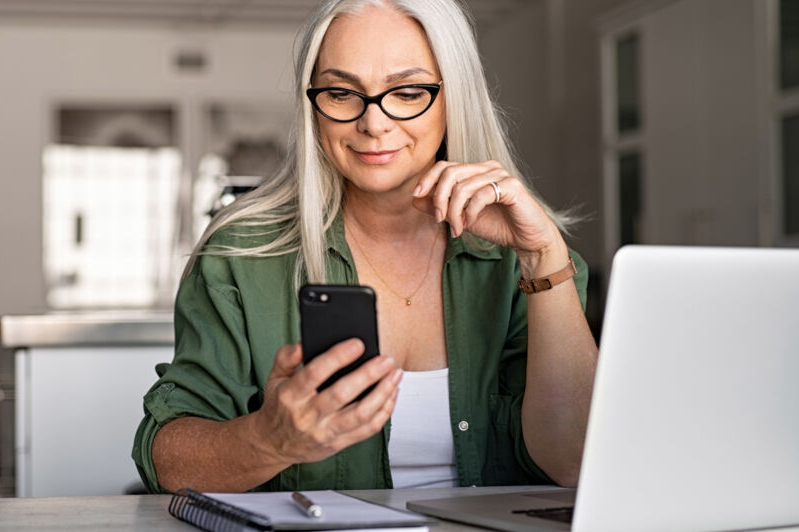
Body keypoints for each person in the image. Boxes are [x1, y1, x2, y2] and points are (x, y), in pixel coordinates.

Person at [133, 0, 598, 494]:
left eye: (408, 91)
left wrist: (543, 254)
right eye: (341, 93)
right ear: (312, 105)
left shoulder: (526, 261)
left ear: (454, 97)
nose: (373, 124)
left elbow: (574, 460)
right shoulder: (241, 256)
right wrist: (269, 440)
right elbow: (168, 464)